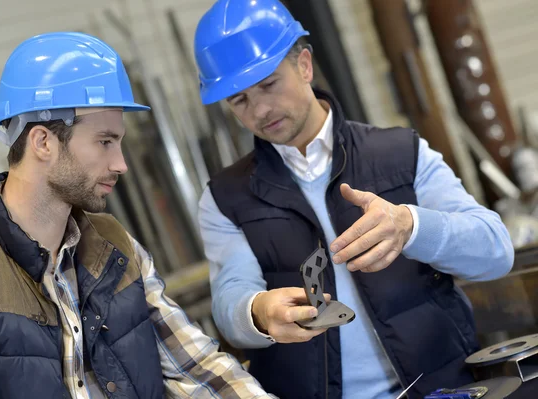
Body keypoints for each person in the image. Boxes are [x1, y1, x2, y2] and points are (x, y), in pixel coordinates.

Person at [193, 1, 515, 398]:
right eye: (239, 100)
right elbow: (230, 300)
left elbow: (496, 251)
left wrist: (411, 226)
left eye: (268, 84)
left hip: (440, 387)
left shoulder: (402, 153)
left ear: (305, 66)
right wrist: (257, 313)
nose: (259, 109)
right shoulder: (224, 197)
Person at [0, 32, 275, 399]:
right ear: (43, 142)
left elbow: (198, 368)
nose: (121, 164)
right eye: (105, 141)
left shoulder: (114, 244)